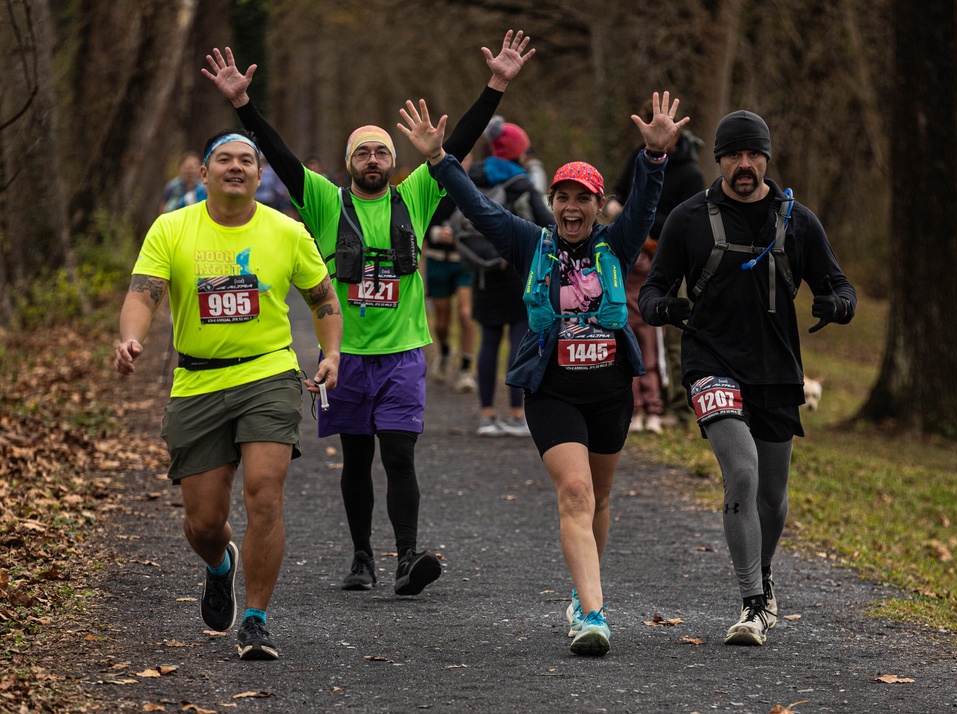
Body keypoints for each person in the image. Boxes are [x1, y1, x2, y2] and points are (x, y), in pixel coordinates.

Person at [202, 31, 535, 596]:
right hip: (346, 358)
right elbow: (279, 155)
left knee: (400, 456)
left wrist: (495, 85)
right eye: (363, 151)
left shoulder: (418, 195)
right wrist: (242, 105)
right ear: (348, 162)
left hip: (402, 354)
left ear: (394, 161)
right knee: (356, 461)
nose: (373, 159)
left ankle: (407, 558)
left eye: (382, 151)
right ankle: (362, 559)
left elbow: (457, 143)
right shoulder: (326, 202)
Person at [399, 92, 689, 656]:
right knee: (576, 493)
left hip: (609, 393)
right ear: (551, 202)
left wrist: (654, 158)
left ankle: (583, 595)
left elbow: (645, 209)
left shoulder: (617, 244)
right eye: (563, 197)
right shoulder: (529, 242)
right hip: (551, 391)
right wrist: (438, 161)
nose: (572, 206)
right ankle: (594, 615)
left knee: (599, 500)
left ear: (599, 205)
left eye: (584, 197)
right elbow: (477, 206)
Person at [114, 129, 343, 661]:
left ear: (260, 175)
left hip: (269, 375)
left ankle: (257, 620)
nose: (235, 167)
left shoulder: (286, 232)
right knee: (204, 522)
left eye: (246, 160)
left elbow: (324, 299)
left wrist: (331, 354)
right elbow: (142, 295)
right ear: (204, 172)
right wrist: (131, 338)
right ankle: (220, 565)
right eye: (224, 159)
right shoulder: (172, 228)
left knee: (265, 494)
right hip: (197, 382)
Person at [638, 110, 857, 646]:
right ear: (718, 160)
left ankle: (764, 574)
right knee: (742, 472)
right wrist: (666, 306)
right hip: (711, 362)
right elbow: (650, 291)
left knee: (774, 498)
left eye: (753, 154)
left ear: (766, 159)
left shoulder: (798, 221)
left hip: (778, 371)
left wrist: (837, 304)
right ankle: (753, 603)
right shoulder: (688, 219)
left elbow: (842, 287)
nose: (744, 165)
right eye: (733, 155)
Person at [605, 103, 706, 434]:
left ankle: (676, 408)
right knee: (631, 329)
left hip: (673, 262)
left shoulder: (690, 173)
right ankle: (635, 404)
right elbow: (620, 192)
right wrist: (617, 206)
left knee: (671, 339)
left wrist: (644, 222)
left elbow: (690, 219)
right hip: (634, 261)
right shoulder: (640, 156)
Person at [455, 127, 554, 437]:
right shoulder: (520, 184)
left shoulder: (474, 178)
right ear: (518, 152)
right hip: (516, 273)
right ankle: (515, 414)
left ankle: (486, 416)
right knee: (519, 342)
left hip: (482, 275)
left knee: (489, 341)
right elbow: (549, 225)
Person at [424, 189, 478, 393]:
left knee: (466, 313)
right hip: (437, 260)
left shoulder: (473, 190)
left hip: (464, 262)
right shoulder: (432, 188)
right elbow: (415, 221)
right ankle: (445, 350)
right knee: (441, 323)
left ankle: (465, 370)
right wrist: (435, 233)